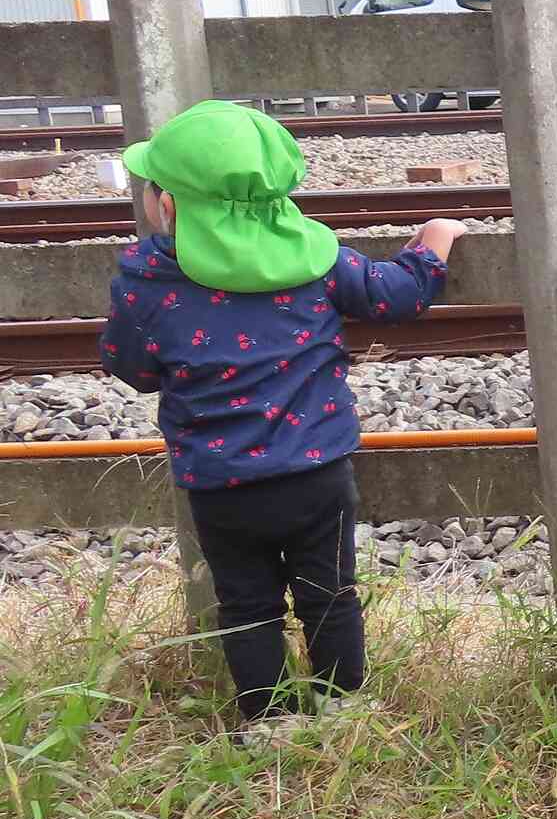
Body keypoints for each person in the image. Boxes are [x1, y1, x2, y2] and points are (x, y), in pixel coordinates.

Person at [99, 99, 463, 735]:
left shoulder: (146, 280)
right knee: (329, 592)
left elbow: (131, 365)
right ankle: (342, 709)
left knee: (245, 603)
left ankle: (267, 722)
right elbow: (395, 296)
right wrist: (432, 246)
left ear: (173, 206)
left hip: (220, 483)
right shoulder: (316, 260)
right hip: (317, 470)